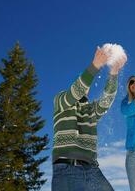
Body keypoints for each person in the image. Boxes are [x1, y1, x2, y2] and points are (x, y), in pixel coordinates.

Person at [52, 47, 126, 191]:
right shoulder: (61, 100)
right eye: (84, 83)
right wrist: (94, 66)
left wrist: (114, 72)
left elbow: (106, 100)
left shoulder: (91, 110)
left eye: (88, 85)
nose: (86, 87)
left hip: (92, 169)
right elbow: (75, 92)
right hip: (66, 169)